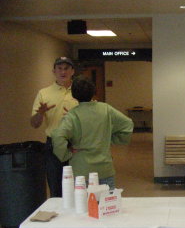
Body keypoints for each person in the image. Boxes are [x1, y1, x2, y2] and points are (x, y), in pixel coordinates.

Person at [51, 76, 133, 189]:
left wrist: (66, 154)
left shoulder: (72, 115)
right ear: (94, 91)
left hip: (81, 169)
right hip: (105, 168)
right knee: (106, 203)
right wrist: (112, 139)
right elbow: (127, 124)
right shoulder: (106, 109)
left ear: (73, 95)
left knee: (83, 204)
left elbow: (58, 136)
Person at [30, 57, 79, 197]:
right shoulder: (43, 93)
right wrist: (40, 113)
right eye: (59, 68)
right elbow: (34, 124)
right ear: (54, 71)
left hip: (77, 144)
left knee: (79, 186)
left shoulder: (80, 91)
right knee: (56, 186)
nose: (63, 72)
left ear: (72, 71)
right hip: (54, 145)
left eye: (66, 68)